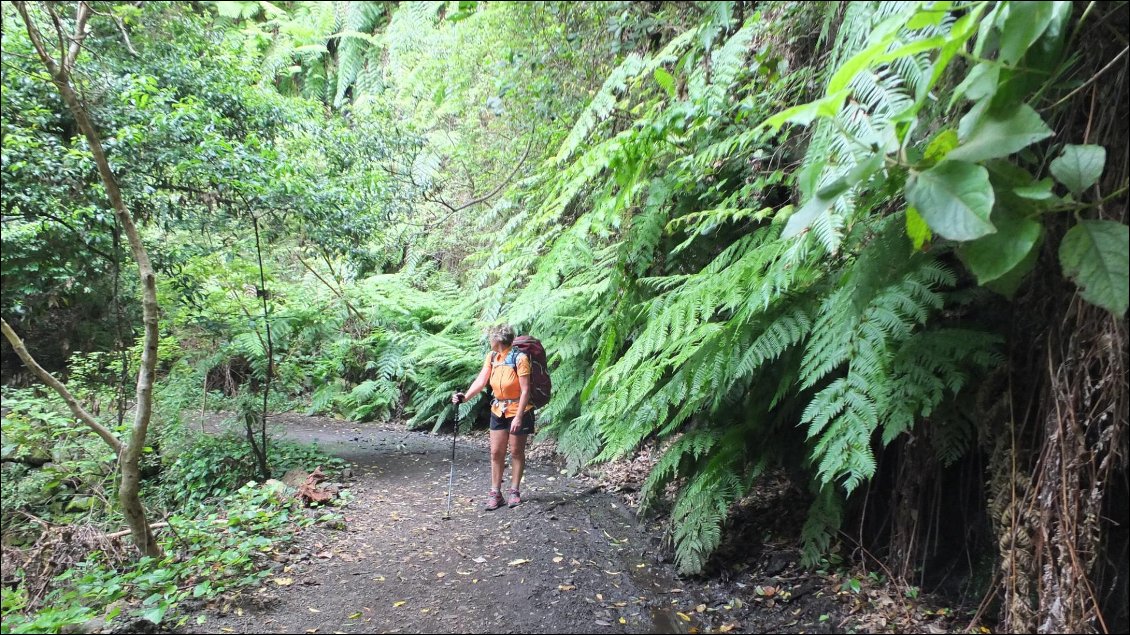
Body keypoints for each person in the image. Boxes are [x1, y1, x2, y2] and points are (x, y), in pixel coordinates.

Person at [451, 324, 533, 510]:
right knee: (496, 452)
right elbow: (481, 381)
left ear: (498, 340)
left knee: (516, 451)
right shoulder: (492, 357)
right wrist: (465, 398)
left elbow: (526, 390)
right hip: (498, 409)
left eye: (490, 337)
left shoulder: (520, 359)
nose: (489, 341)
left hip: (518, 409)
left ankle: (514, 491)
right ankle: (495, 493)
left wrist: (519, 417)